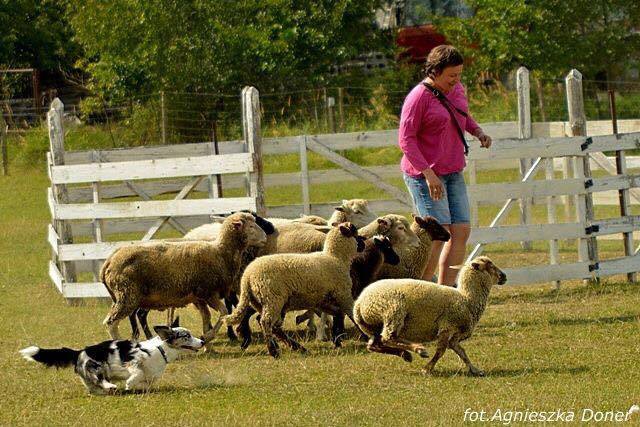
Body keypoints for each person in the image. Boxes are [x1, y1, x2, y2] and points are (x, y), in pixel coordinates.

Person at [398, 45, 492, 287]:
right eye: (452, 75)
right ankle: (418, 290)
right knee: (437, 235)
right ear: (435, 71)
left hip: (452, 171)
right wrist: (428, 175)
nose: (457, 80)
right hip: (424, 175)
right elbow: (406, 140)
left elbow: (461, 114)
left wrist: (477, 131)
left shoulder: (457, 89)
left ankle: (445, 291)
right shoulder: (418, 97)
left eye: (459, 74)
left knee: (460, 231)